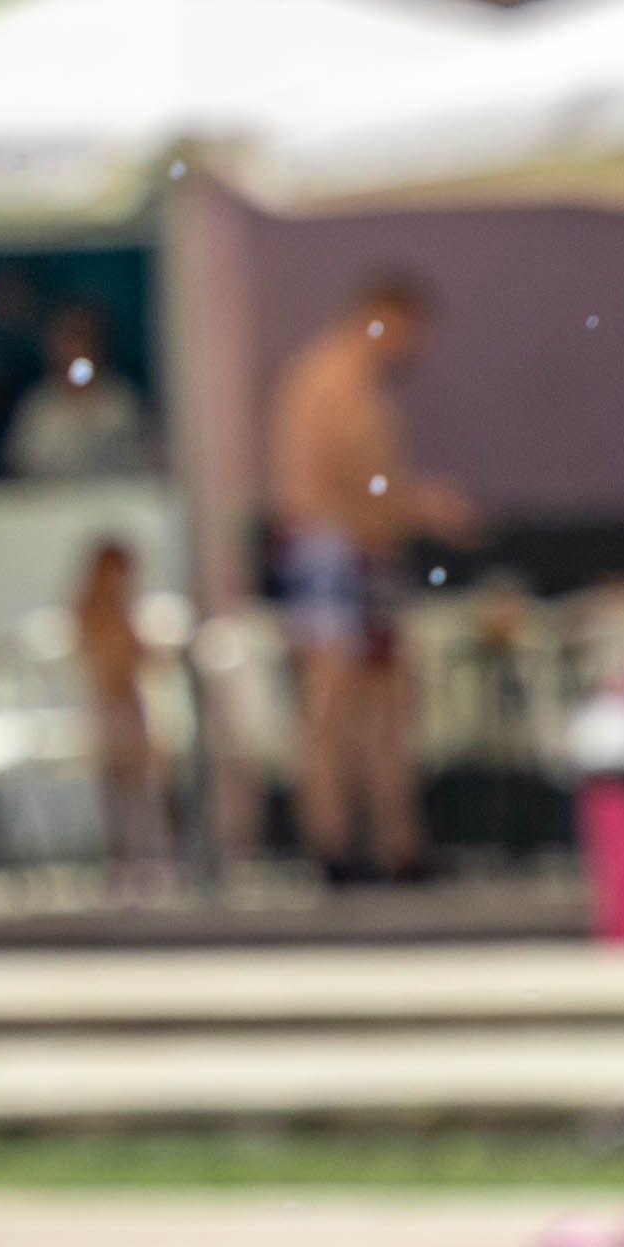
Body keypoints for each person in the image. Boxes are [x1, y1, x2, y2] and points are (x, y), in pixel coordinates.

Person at [264, 269, 482, 883]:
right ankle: (336, 843)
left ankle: (390, 842)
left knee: (381, 702)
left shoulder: (336, 376)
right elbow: (350, 476)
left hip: (350, 549)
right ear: (386, 318)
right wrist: (423, 505)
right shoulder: (338, 379)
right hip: (335, 551)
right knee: (337, 702)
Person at [64, 532, 170, 888]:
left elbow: (143, 660)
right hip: (107, 708)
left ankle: (142, 856)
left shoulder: (126, 612)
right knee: (117, 784)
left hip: (128, 706)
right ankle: (123, 857)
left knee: (139, 786)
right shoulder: (92, 615)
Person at [1, 297, 157, 483]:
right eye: (67, 340)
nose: (76, 348)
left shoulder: (122, 400)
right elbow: (19, 467)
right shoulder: (38, 405)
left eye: (83, 337)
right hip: (52, 505)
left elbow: (147, 465)